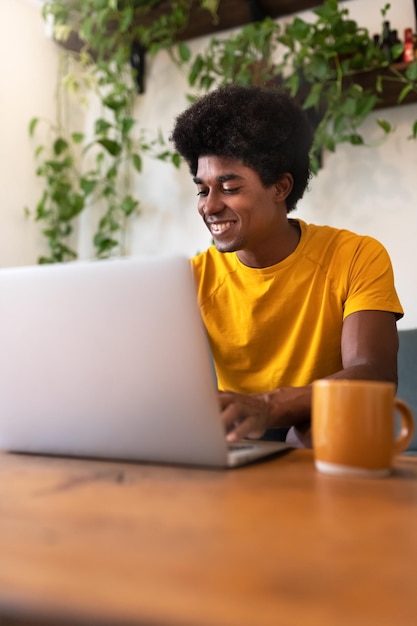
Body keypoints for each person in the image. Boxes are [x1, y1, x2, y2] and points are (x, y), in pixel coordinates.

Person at [170, 84, 403, 447]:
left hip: (326, 437)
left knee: (309, 433)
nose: (209, 206)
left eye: (229, 188)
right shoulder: (192, 280)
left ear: (280, 188)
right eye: (203, 190)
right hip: (239, 443)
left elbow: (373, 374)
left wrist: (267, 406)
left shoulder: (355, 255)